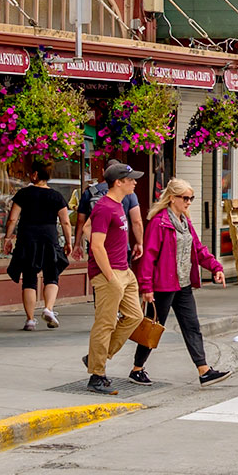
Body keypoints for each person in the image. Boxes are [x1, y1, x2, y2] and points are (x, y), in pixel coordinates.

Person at [131, 178, 233, 387]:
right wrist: (146, 287)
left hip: (183, 283)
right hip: (163, 285)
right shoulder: (159, 223)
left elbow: (198, 249)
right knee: (154, 326)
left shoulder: (185, 222)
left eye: (191, 198)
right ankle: (137, 369)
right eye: (185, 198)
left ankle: (203, 370)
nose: (188, 202)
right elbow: (148, 257)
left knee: (192, 326)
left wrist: (215, 267)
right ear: (171, 198)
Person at [82, 162, 145, 396]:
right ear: (118, 182)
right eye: (131, 179)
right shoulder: (105, 207)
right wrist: (110, 276)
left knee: (135, 316)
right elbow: (96, 246)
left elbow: (87, 228)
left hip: (124, 269)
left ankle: (96, 356)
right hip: (108, 273)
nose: (135, 182)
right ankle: (96, 375)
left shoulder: (117, 204)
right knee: (105, 323)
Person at [1, 160, 68, 330]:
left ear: (36, 174)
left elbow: (13, 218)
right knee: (51, 275)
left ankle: (30, 320)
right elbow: (66, 222)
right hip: (49, 238)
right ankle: (49, 308)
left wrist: (7, 238)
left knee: (29, 278)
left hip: (27, 238)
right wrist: (68, 242)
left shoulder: (23, 194)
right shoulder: (56, 196)